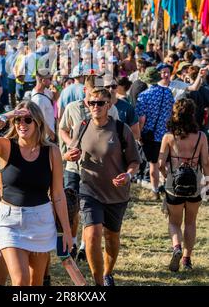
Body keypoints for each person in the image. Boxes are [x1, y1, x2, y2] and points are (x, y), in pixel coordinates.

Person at [0, 100, 73, 286]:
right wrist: (4, 117)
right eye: (18, 120)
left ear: (38, 123)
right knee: (20, 281)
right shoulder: (5, 145)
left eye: (27, 120)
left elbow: (58, 195)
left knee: (36, 283)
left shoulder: (52, 152)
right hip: (10, 222)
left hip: (41, 221)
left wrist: (67, 230)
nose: (22, 124)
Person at [71, 87, 140, 286]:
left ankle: (108, 273)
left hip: (116, 193)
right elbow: (71, 151)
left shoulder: (121, 129)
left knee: (111, 238)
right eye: (92, 103)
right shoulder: (82, 126)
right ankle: (98, 283)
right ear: (87, 104)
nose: (96, 107)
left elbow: (135, 161)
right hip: (89, 190)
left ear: (109, 105)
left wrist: (127, 175)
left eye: (100, 103)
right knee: (92, 236)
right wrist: (68, 156)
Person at [158, 99, 209, 272]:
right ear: (192, 115)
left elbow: (160, 164)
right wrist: (207, 182)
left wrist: (167, 177)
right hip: (195, 183)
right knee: (191, 222)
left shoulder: (168, 137)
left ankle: (176, 247)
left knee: (174, 222)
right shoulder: (201, 136)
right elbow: (207, 163)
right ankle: (187, 259)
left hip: (174, 184)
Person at [136, 66, 174, 199]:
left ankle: (155, 190)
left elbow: (141, 119)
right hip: (166, 134)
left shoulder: (143, 96)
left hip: (149, 135)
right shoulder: (168, 93)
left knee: (153, 164)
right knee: (167, 164)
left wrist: (139, 135)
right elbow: (170, 115)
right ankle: (170, 187)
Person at [31, 69, 55, 142]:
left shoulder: (45, 91)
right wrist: (51, 135)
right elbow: (40, 120)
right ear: (43, 80)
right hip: (46, 137)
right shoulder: (38, 100)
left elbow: (55, 98)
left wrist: (57, 87)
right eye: (49, 79)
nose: (51, 81)